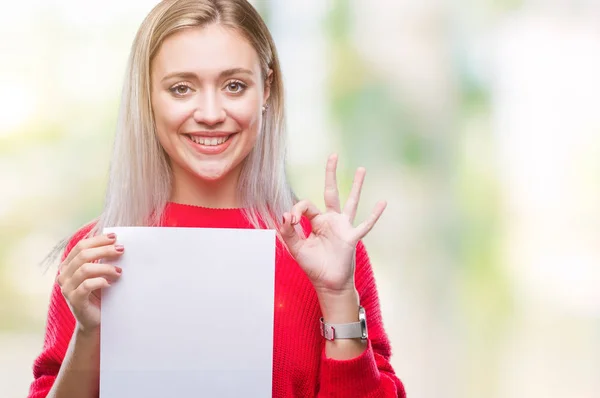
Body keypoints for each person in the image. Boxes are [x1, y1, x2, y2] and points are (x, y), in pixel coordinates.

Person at [27, 0, 406, 397]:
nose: (210, 113)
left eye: (234, 86)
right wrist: (91, 333)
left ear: (267, 89)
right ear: (147, 96)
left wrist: (337, 297)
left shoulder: (325, 252)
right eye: (181, 88)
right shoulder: (97, 253)